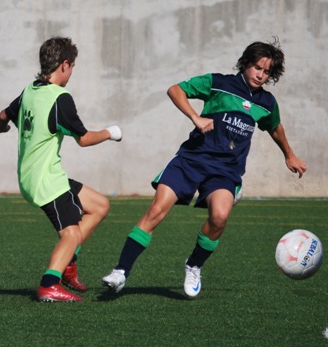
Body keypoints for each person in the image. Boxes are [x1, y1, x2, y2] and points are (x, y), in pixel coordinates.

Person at [101, 39, 306, 298]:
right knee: (156, 209)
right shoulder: (218, 83)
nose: (260, 75)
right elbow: (175, 90)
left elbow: (275, 127)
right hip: (192, 159)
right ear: (245, 63)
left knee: (219, 217)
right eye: (257, 67)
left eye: (267, 72)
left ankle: (194, 265)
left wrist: (290, 155)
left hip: (226, 170)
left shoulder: (266, 102)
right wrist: (195, 117)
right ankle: (121, 272)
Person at [0, 37, 122, 302]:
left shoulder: (30, 90)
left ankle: (68, 263)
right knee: (72, 233)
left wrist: (1, 129)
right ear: (64, 64)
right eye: (72, 66)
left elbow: (3, 115)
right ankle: (49, 285)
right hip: (45, 181)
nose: (72, 73)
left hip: (38, 175)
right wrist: (111, 133)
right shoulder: (60, 98)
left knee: (99, 205)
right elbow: (84, 139)